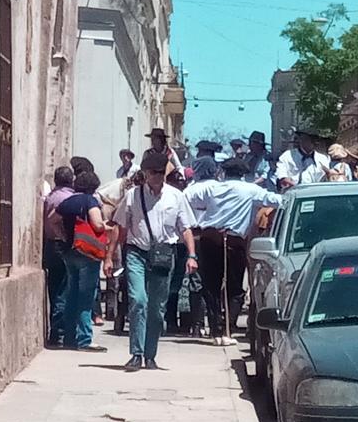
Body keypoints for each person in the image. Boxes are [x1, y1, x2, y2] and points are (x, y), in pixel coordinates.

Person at [109, 150, 199, 371]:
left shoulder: (176, 197)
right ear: (145, 173)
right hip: (137, 252)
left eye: (160, 172)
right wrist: (109, 256)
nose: (157, 176)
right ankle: (136, 354)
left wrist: (192, 255)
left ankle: (150, 354)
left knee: (157, 308)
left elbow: (185, 228)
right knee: (138, 300)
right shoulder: (133, 196)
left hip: (163, 255)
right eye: (153, 172)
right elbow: (120, 227)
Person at [186, 157, 284, 345]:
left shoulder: (212, 188)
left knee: (211, 286)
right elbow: (276, 200)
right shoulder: (249, 189)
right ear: (243, 174)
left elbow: (188, 199)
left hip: (210, 237)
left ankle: (215, 330)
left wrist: (200, 211)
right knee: (235, 287)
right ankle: (228, 330)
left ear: (223, 172)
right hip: (234, 240)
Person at [48, 170, 109, 352]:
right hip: (87, 252)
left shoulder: (67, 201)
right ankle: (84, 339)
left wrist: (64, 236)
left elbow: (52, 220)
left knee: (71, 294)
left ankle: (68, 337)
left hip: (69, 251)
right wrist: (109, 227)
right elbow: (97, 224)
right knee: (86, 296)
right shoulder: (90, 201)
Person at [42, 166, 76, 347]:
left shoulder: (50, 197)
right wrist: (64, 237)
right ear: (71, 180)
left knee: (54, 290)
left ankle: (55, 332)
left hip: (49, 245)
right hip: (62, 245)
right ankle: (59, 333)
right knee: (64, 290)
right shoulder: (70, 198)